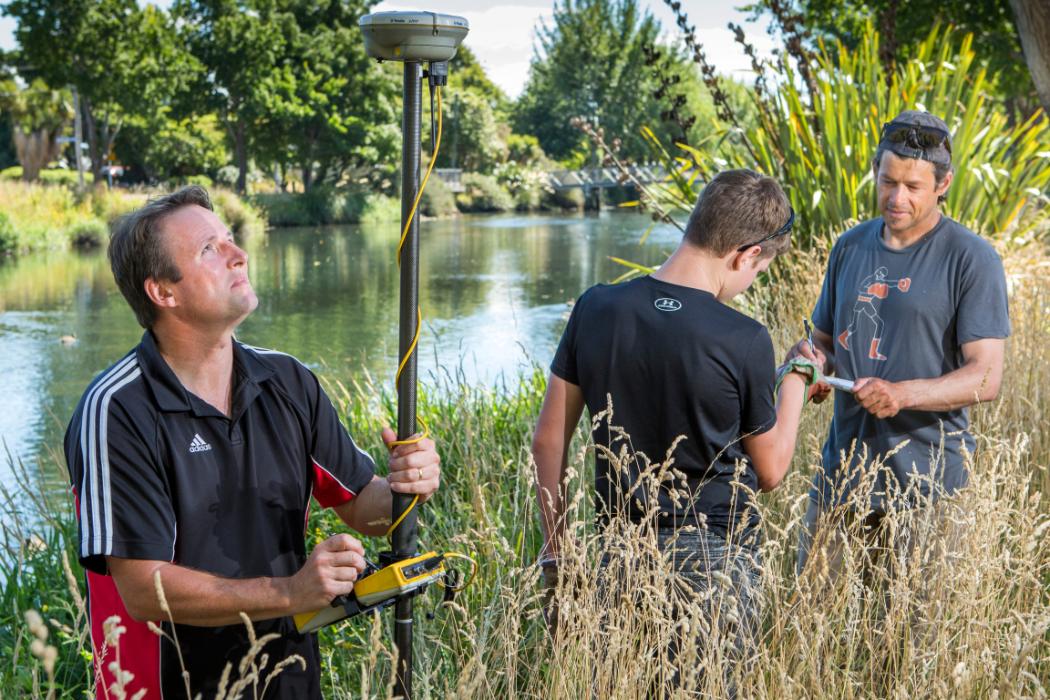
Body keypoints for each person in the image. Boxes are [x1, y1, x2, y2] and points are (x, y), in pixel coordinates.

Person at [64, 186, 441, 698]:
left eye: (229, 239)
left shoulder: (287, 381)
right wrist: (289, 591)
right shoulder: (116, 409)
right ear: (163, 292)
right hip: (164, 687)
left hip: (288, 679)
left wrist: (405, 485)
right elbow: (141, 588)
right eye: (208, 250)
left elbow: (363, 508)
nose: (237, 254)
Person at [532, 169, 826, 681]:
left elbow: (548, 440)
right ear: (746, 254)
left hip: (620, 554)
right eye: (757, 270)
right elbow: (772, 468)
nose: (750, 282)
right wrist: (797, 379)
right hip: (715, 564)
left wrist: (556, 552)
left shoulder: (596, 307)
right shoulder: (744, 338)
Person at [790, 110, 1009, 582]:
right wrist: (808, 361)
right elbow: (823, 340)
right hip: (841, 477)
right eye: (887, 181)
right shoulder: (849, 247)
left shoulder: (972, 259)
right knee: (811, 625)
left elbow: (987, 375)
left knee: (913, 647)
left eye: (913, 186)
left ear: (943, 183)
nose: (896, 197)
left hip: (929, 488)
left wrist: (902, 394)